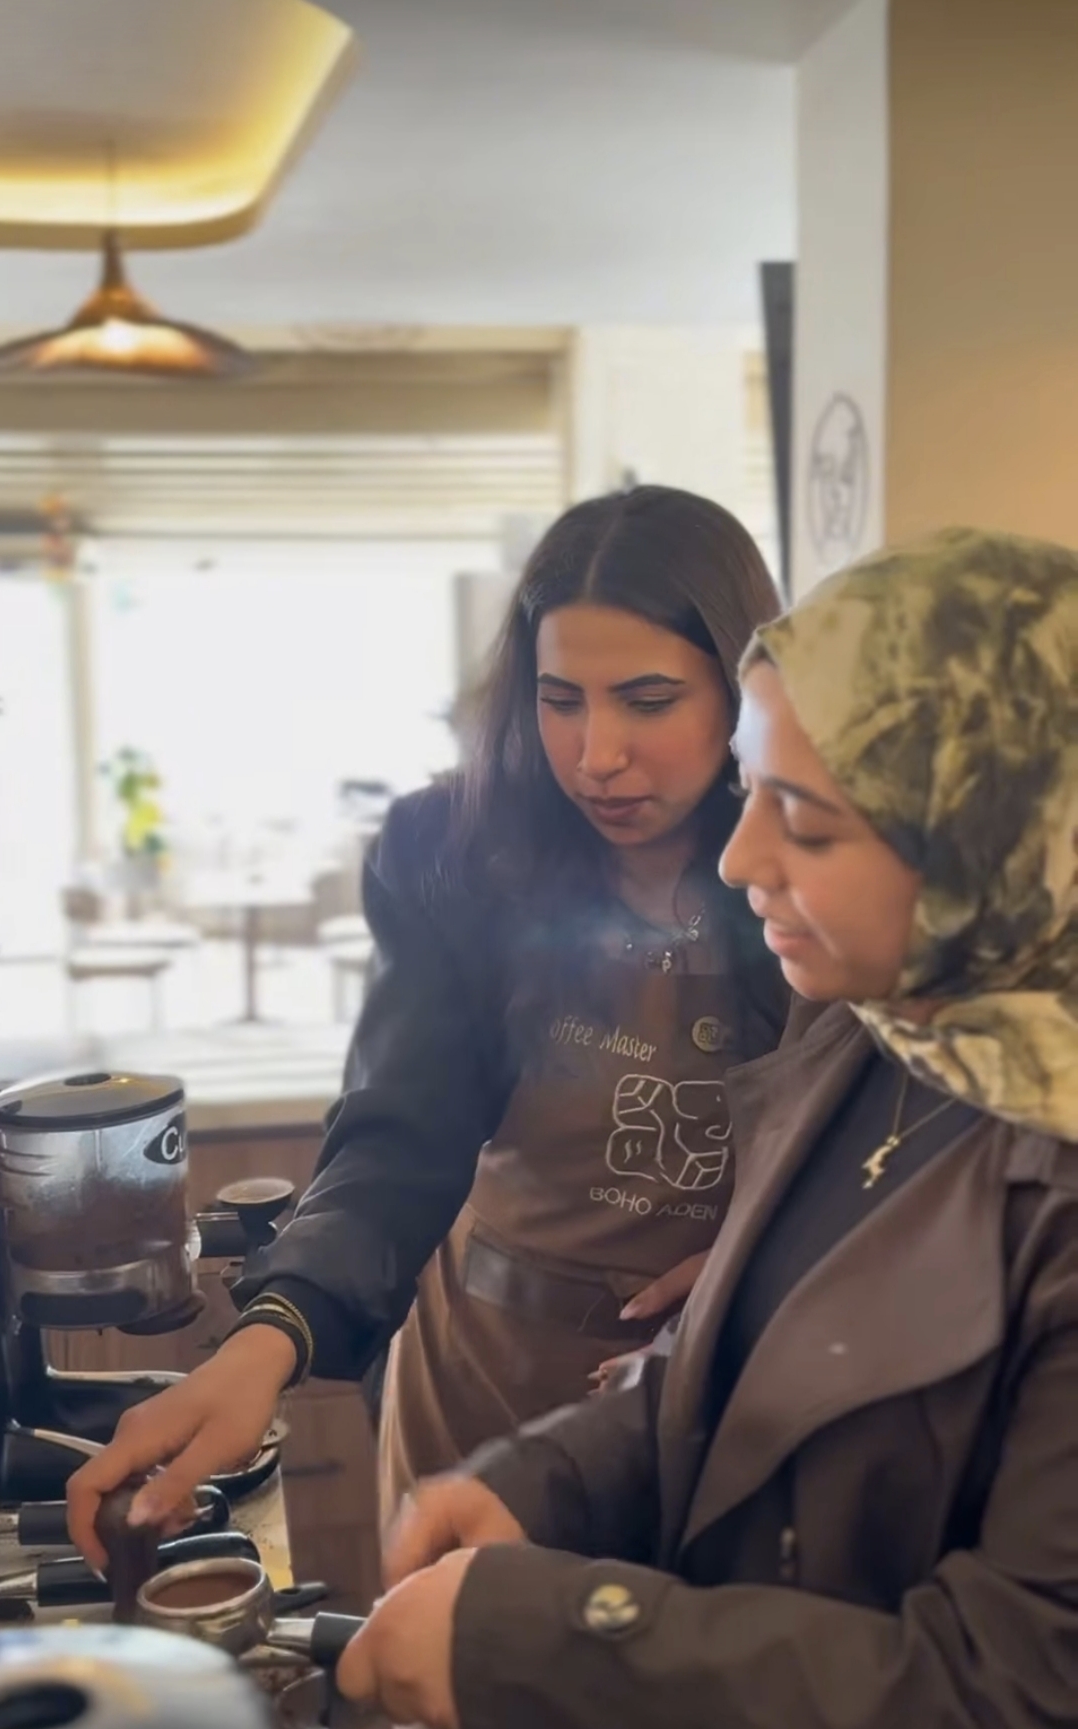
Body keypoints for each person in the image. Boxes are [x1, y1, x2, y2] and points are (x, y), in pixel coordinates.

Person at [333, 525, 1078, 1729]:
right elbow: (749, 1356)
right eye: (750, 788)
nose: (738, 858)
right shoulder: (878, 1037)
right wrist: (551, 1478)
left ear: (995, 836)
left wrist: (550, 1636)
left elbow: (1015, 1685)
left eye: (806, 821)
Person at [67, 485, 788, 1559]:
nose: (596, 754)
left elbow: (886, 1137)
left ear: (743, 690)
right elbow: (403, 1132)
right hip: (487, 1371)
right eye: (559, 700)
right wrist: (268, 1337)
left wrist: (767, 1256)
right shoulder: (455, 856)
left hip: (723, 1381)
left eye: (646, 701)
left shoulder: (811, 859)